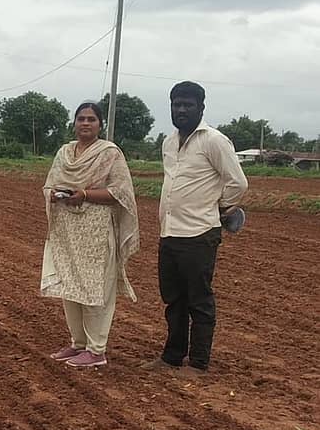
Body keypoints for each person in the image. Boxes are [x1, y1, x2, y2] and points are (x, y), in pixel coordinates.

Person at [142, 81, 247, 373]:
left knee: (199, 300)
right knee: (173, 299)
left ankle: (198, 362)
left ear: (201, 107)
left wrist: (218, 207)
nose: (182, 109)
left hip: (200, 233)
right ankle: (171, 357)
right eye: (177, 104)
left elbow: (237, 182)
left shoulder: (214, 141)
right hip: (170, 232)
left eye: (188, 104)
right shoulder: (168, 141)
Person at [41, 102, 140, 368]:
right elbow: (50, 183)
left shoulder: (109, 153)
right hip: (68, 232)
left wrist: (84, 194)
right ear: (74, 123)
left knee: (96, 288)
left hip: (96, 231)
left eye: (91, 119)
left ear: (100, 125)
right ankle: (78, 344)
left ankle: (97, 350)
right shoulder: (64, 153)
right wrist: (53, 193)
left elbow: (121, 193)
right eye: (81, 119)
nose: (85, 123)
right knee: (70, 286)